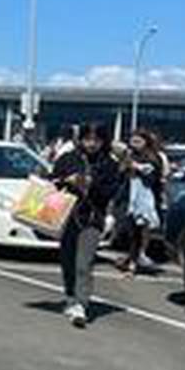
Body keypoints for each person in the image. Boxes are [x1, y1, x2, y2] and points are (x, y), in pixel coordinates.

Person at [50, 123, 121, 327]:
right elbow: (52, 182)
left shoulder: (109, 163)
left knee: (84, 262)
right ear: (80, 139)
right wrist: (66, 180)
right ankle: (70, 297)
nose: (91, 144)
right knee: (67, 259)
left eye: (96, 140)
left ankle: (81, 304)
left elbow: (112, 191)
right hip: (66, 216)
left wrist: (91, 184)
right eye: (87, 139)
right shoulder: (68, 158)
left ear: (103, 141)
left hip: (92, 217)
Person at [117, 127, 168, 274]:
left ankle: (136, 259)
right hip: (130, 198)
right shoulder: (129, 155)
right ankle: (134, 259)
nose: (134, 144)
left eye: (138, 141)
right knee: (132, 230)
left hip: (146, 199)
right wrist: (125, 166)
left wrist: (137, 168)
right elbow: (121, 175)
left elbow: (154, 179)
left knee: (141, 230)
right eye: (132, 141)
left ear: (145, 142)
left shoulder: (152, 157)